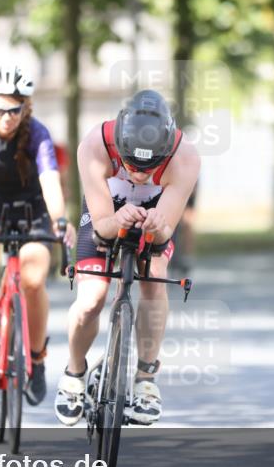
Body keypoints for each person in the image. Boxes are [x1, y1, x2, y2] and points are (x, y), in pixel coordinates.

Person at [54, 90, 200, 426]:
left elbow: (164, 234)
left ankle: (146, 379)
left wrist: (156, 227)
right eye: (131, 164)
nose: (138, 174)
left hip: (156, 213)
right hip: (107, 210)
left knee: (154, 284)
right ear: (119, 146)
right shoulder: (94, 144)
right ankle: (74, 373)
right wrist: (115, 222)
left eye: (149, 167)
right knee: (92, 299)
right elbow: (102, 228)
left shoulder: (185, 157)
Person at [0, 63, 76, 406]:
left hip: (32, 211)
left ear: (26, 107)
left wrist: (59, 220)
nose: (6, 118)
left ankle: (36, 360)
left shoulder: (37, 134)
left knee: (33, 278)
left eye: (14, 110)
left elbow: (50, 181)